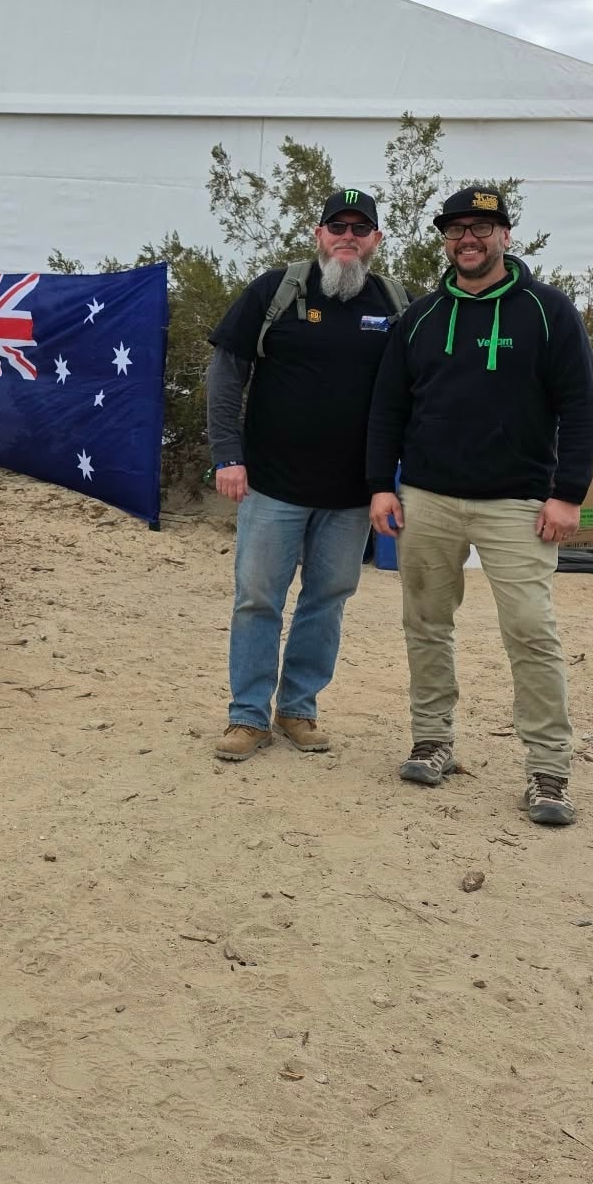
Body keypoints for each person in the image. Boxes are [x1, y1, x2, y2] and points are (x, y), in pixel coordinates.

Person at [365, 185, 593, 827]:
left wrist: (567, 497)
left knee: (530, 629)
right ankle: (433, 739)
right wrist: (381, 485)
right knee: (426, 622)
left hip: (520, 504)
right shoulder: (418, 317)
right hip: (429, 498)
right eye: (457, 229)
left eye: (482, 228)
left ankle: (549, 771)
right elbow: (388, 407)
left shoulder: (548, 312)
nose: (468, 239)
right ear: (445, 239)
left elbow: (582, 410)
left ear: (505, 236)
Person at [204, 189, 410, 762]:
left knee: (327, 601)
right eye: (336, 226)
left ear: (376, 241)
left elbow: (414, 394)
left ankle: (298, 709)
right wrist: (228, 455)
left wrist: (392, 480)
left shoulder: (395, 304)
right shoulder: (275, 291)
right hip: (272, 486)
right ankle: (247, 717)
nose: (348, 236)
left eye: (360, 228)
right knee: (257, 601)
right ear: (318, 234)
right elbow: (226, 374)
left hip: (351, 496)